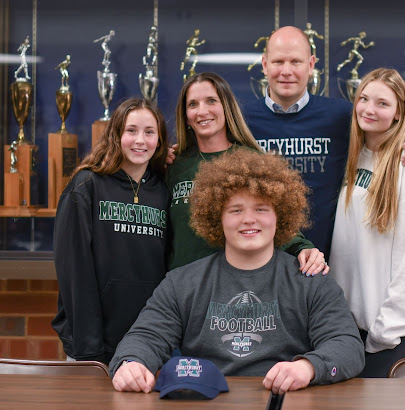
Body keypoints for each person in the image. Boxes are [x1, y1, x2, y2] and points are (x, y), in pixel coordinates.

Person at [110, 149, 365, 394]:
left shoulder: (310, 280)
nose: (249, 219)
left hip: (286, 399)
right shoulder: (182, 283)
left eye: (261, 209)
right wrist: (131, 363)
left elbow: (347, 346)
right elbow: (145, 336)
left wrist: (308, 367)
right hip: (206, 401)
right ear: (216, 218)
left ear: (281, 216)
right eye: (236, 210)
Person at [243, 26, 405, 260]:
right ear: (264, 65)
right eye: (278, 62)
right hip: (261, 261)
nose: (286, 71)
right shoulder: (241, 120)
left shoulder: (341, 115)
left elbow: (387, 132)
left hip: (326, 264)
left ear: (311, 64)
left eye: (295, 61)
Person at [329, 68, 405, 378]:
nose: (369, 109)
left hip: (388, 334)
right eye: (364, 99)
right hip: (355, 328)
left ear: (398, 114)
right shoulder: (356, 158)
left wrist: (385, 331)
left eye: (382, 103)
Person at [167, 71, 328, 276]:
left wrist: (303, 248)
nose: (202, 111)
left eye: (211, 101)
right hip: (183, 287)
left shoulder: (252, 161)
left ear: (227, 107)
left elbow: (275, 220)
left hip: (237, 286)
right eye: (193, 104)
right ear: (186, 117)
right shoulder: (174, 166)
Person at [51, 98, 170, 364]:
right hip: (94, 348)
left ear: (160, 140)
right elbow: (74, 271)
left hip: (150, 344)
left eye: (149, 132)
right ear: (116, 135)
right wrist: (88, 347)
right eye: (131, 130)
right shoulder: (86, 186)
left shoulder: (163, 191)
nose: (140, 140)